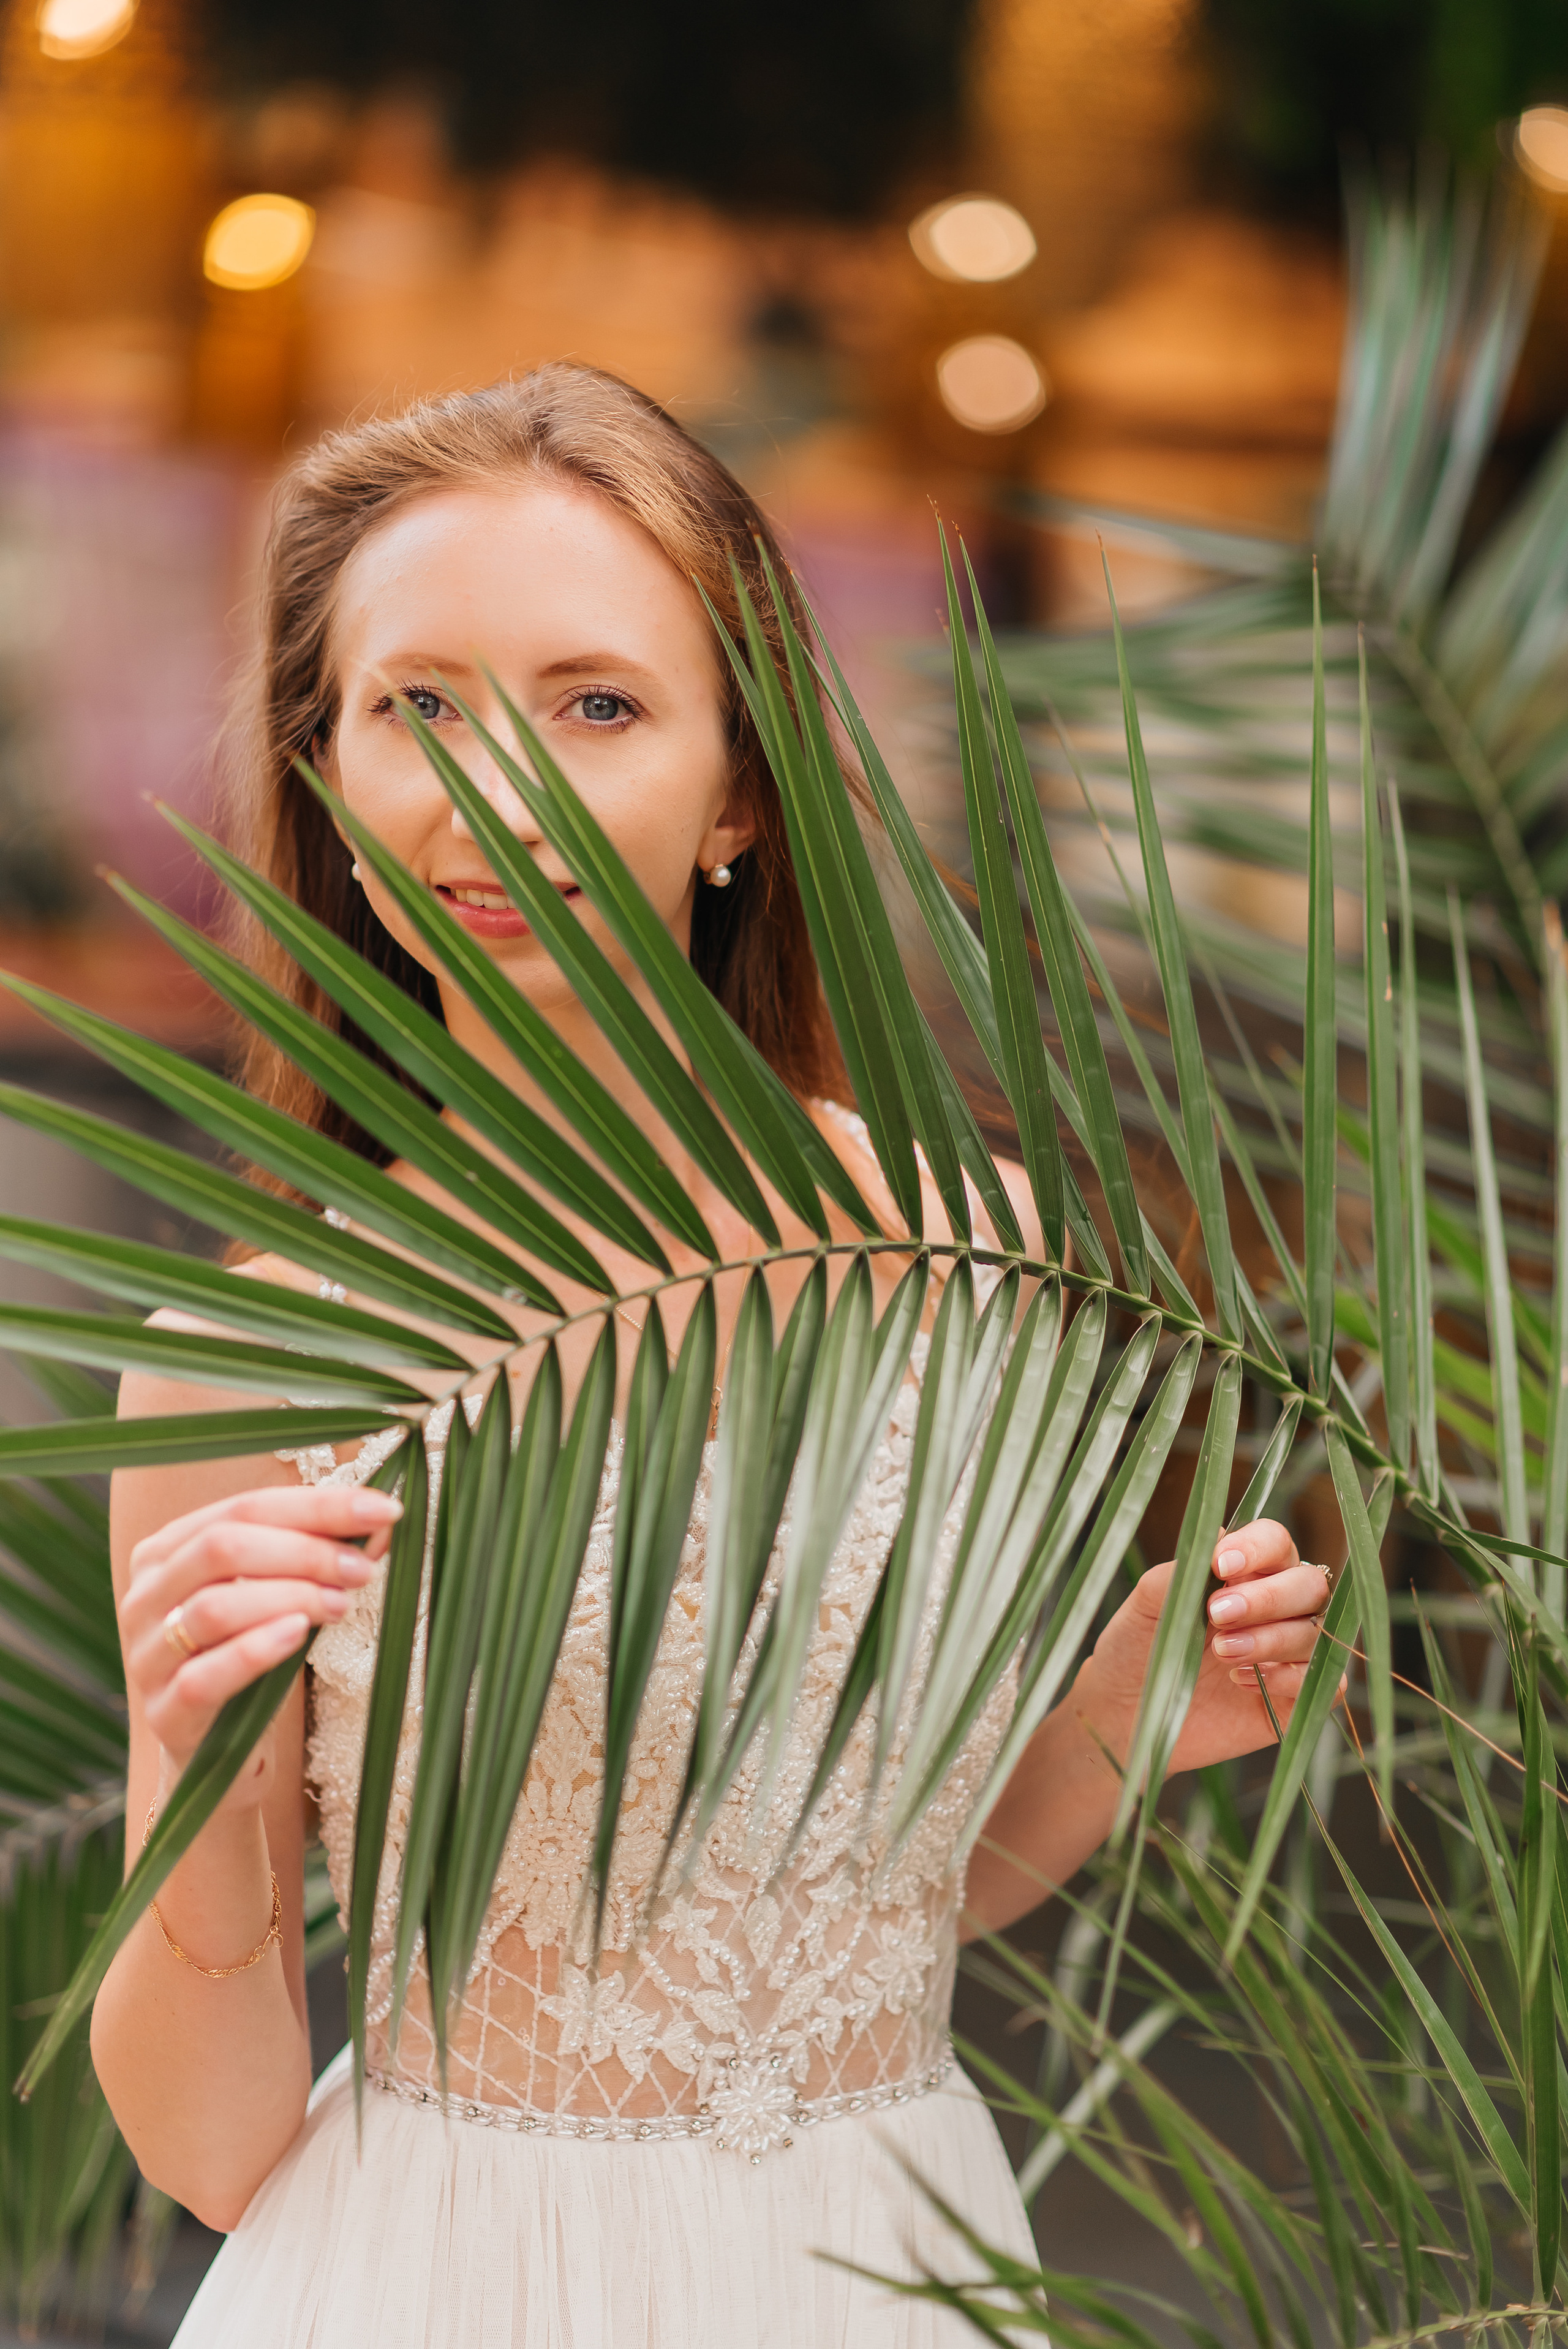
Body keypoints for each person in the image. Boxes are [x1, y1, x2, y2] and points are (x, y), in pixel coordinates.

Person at [89, 365, 1332, 2346]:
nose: (498, 788)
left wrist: (1123, 1712)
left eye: (598, 703)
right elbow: (215, 2150)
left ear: (739, 790)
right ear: (328, 774)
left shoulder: (969, 1251)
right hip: (442, 2276)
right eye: (420, 707)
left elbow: (887, 1897)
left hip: (886, 2256)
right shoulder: (254, 1359)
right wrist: (191, 1762)